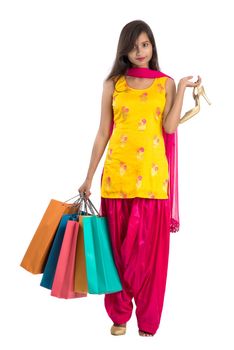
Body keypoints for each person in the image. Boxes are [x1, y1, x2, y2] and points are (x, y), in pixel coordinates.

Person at [78, 19, 201, 337]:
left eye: (145, 44)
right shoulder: (113, 85)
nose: (140, 51)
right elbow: (104, 132)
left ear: (152, 47)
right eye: (134, 46)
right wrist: (89, 177)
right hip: (115, 183)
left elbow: (170, 127)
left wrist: (184, 89)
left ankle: (147, 319)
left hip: (152, 182)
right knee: (117, 252)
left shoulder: (166, 83)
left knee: (147, 256)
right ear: (125, 50)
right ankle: (119, 315)